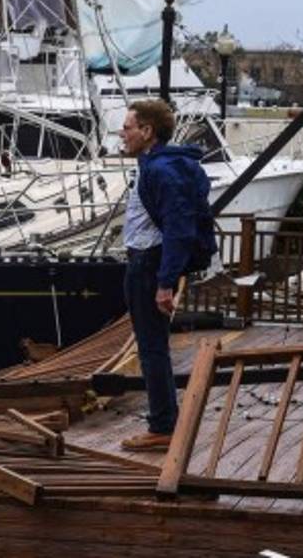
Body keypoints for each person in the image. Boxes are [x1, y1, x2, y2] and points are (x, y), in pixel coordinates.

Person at [118, 99, 217, 451]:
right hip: (147, 262)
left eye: (128, 127)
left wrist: (164, 283)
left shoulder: (161, 171)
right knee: (153, 347)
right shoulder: (158, 165)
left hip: (148, 264)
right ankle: (164, 421)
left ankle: (162, 426)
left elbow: (179, 226)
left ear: (147, 132)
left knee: (151, 348)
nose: (122, 133)